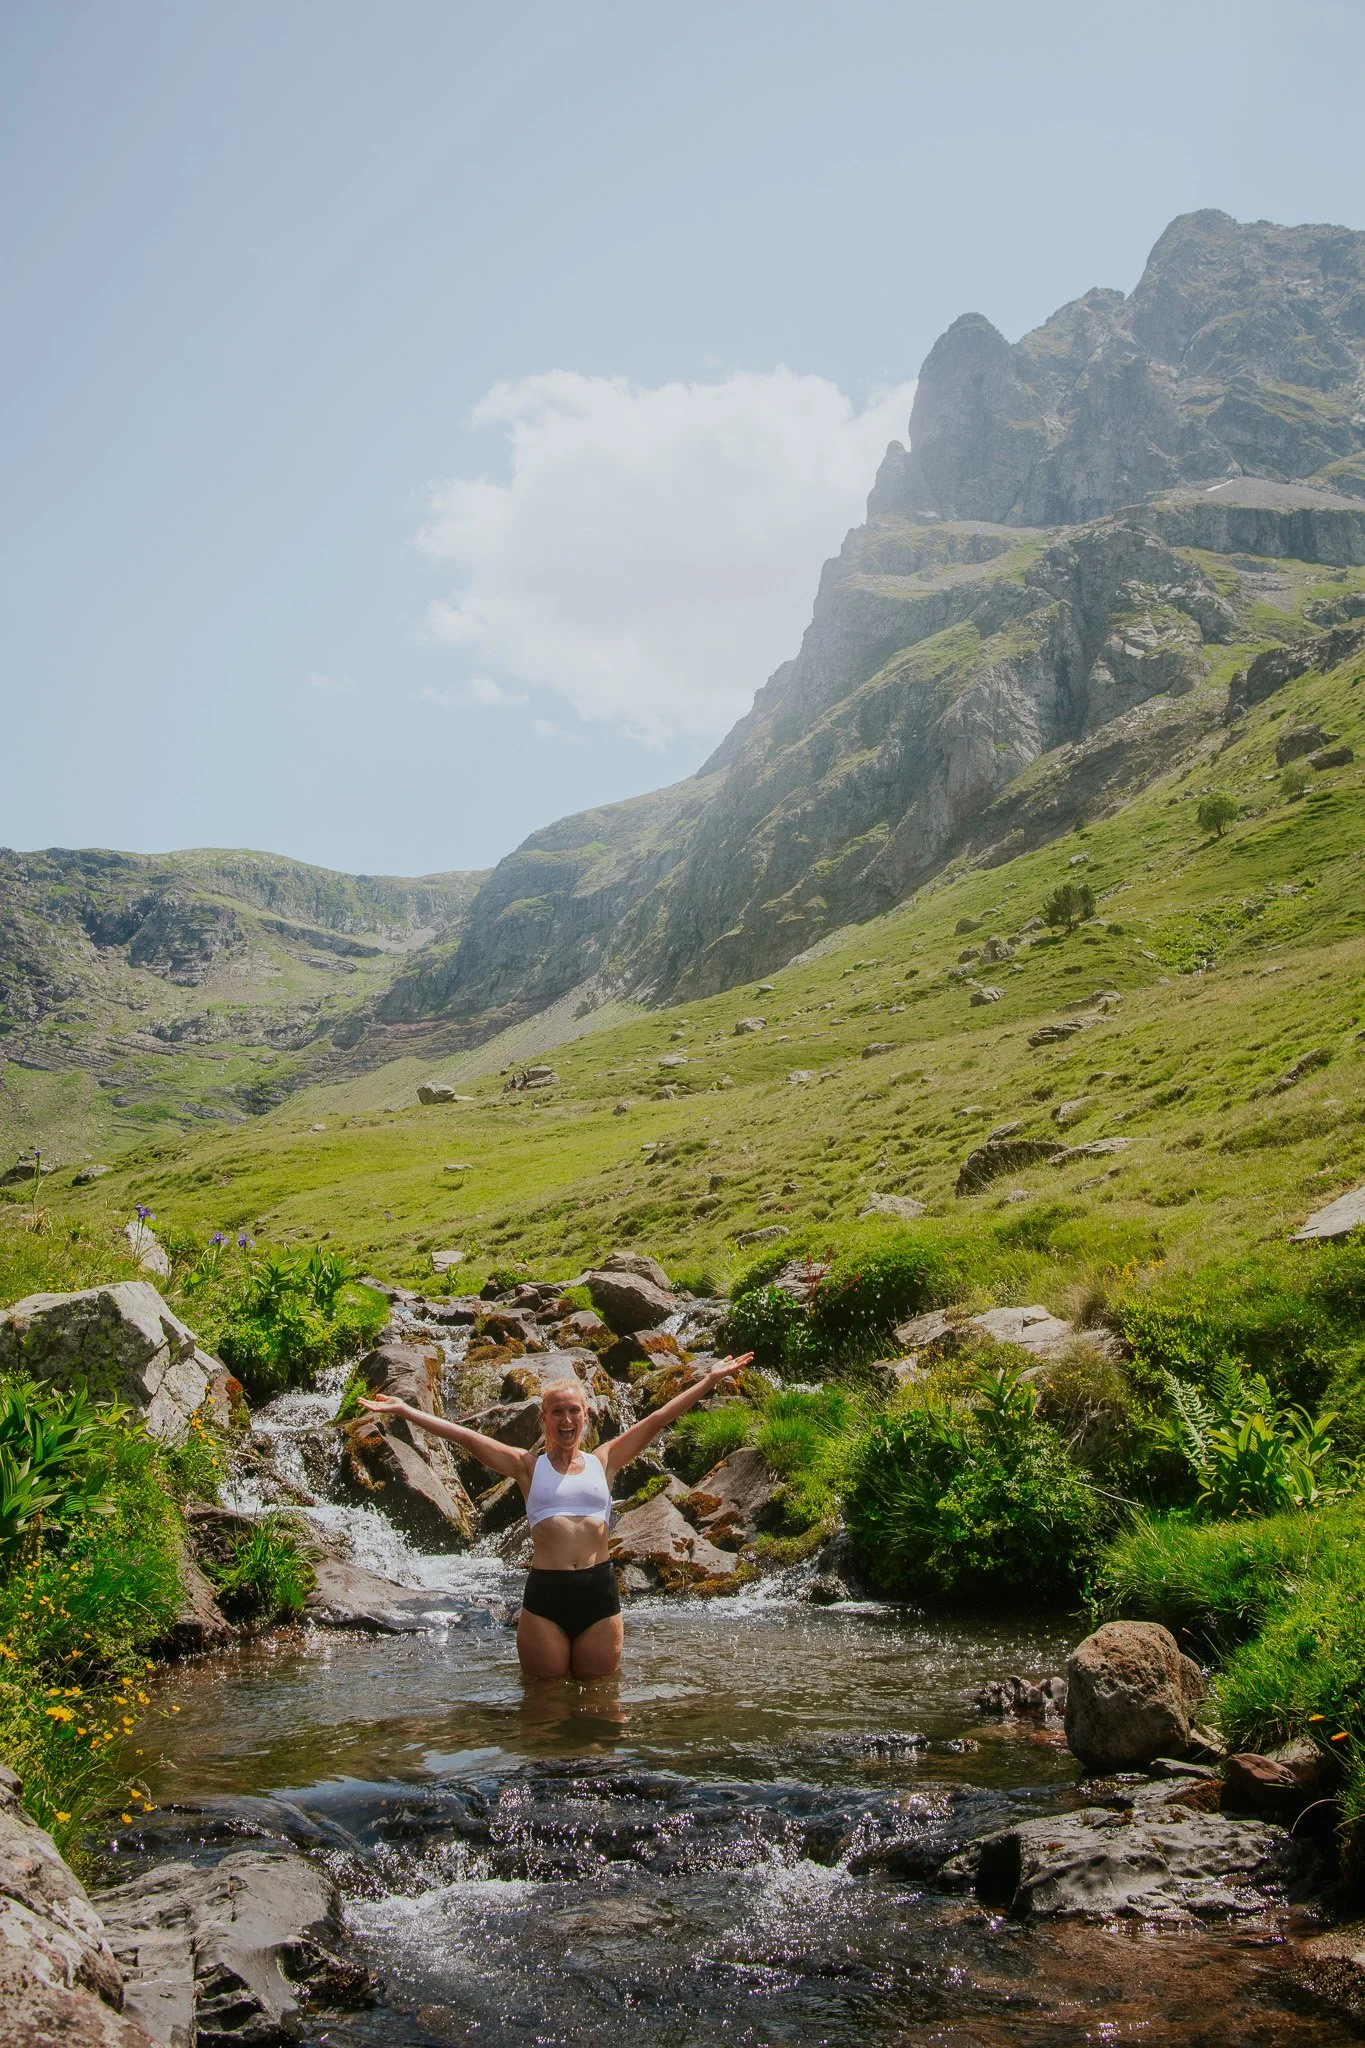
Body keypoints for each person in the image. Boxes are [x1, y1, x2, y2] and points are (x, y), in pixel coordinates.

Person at [358, 1350, 753, 1680]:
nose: (566, 1420)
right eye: (558, 1412)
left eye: (574, 1412)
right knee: (543, 1704)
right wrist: (405, 1410)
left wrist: (710, 1380)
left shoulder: (605, 1460)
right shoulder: (528, 1467)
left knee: (601, 1701)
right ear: (544, 1419)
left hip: (598, 1592)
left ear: (586, 1417)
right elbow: (464, 1436)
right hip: (546, 1595)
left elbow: (657, 1420)